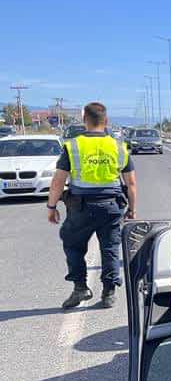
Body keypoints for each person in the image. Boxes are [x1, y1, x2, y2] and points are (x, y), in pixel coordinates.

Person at [47, 102, 136, 309]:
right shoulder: (118, 146)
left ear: (84, 120)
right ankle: (109, 293)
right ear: (106, 121)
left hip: (81, 207)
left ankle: (80, 288)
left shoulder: (73, 146)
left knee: (73, 245)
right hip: (111, 207)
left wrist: (51, 207)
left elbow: (58, 181)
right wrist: (132, 209)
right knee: (110, 248)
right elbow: (131, 183)